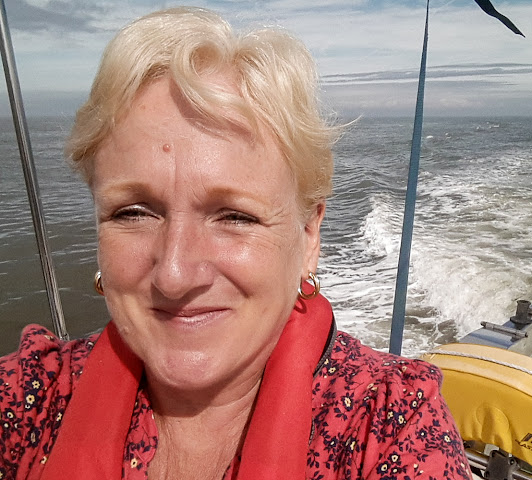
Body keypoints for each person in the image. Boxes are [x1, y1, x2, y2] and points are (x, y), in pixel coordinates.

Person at [0, 7, 472, 480]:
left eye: (235, 216)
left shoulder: (391, 426)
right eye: (133, 212)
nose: (174, 273)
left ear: (308, 235)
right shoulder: (29, 399)